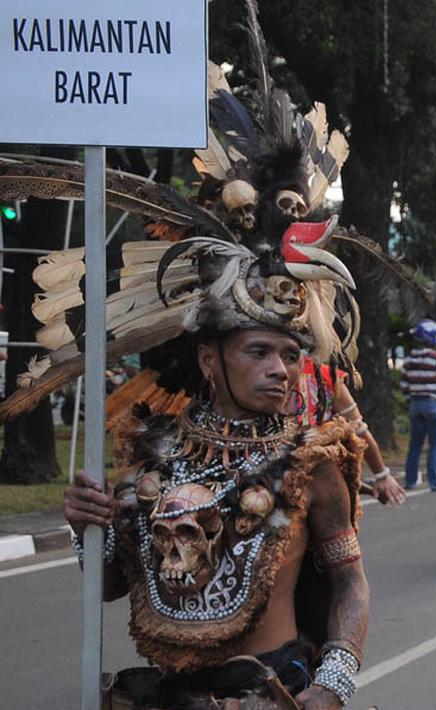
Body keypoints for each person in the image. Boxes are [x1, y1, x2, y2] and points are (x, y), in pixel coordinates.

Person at [34, 28, 374, 704]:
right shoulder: (154, 455)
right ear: (208, 360)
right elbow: (108, 583)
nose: (282, 369)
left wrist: (334, 684)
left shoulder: (314, 465)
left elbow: (349, 584)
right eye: (259, 352)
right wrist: (85, 528)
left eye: (288, 353)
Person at [296, 357, 406, 506]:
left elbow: (358, 430)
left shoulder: (325, 376)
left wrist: (381, 475)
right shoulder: (257, 375)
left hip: (320, 477)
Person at [400, 319, 436, 492]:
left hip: (416, 404)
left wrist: (410, 398)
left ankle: (410, 481)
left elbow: (404, 385)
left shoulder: (409, 360)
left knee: (415, 444)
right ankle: (435, 481)